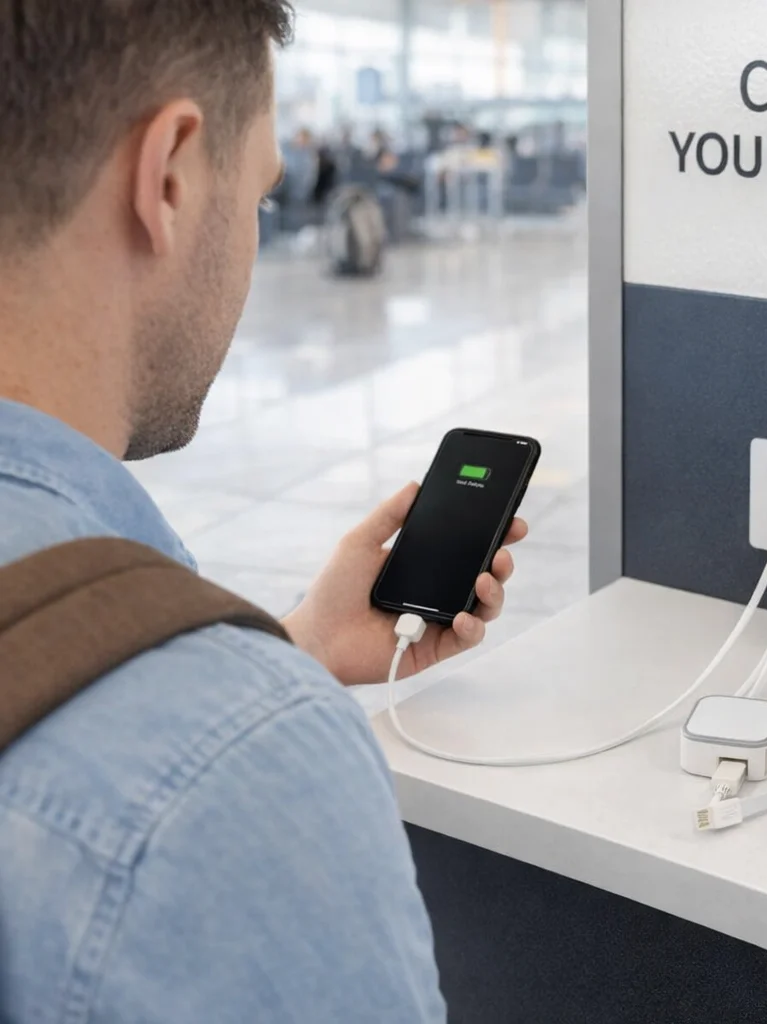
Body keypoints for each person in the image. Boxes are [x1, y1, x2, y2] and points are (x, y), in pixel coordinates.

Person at [0, 3, 528, 1021]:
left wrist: (293, 644)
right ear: (168, 176)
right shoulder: (237, 781)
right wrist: (244, 696)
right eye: (259, 196)